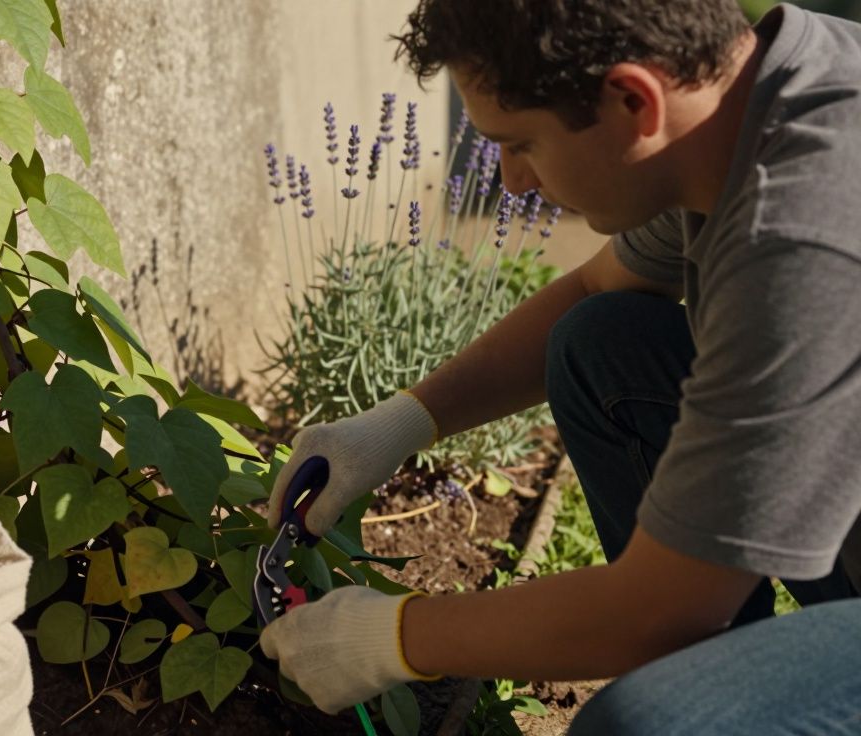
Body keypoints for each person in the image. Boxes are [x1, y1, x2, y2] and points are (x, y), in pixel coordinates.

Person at [257, 2, 861, 732]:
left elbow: (658, 612)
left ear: (635, 101)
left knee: (640, 724)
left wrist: (394, 638)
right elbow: (592, 286)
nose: (510, 183)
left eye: (521, 145)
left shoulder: (806, 239)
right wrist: (397, 425)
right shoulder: (753, 104)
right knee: (599, 344)